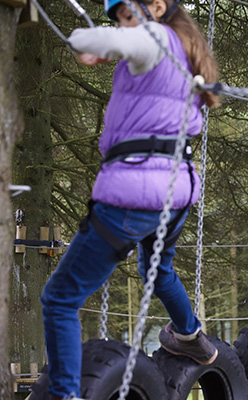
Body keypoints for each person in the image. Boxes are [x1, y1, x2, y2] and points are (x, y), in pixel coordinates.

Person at [39, 1, 219, 398]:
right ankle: (189, 334)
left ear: (156, 6)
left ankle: (65, 394)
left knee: (60, 298)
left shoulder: (154, 37)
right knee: (159, 271)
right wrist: (111, 47)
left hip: (135, 195)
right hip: (176, 193)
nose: (123, 25)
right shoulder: (183, 50)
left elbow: (88, 39)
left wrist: (100, 42)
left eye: (126, 15)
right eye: (118, 19)